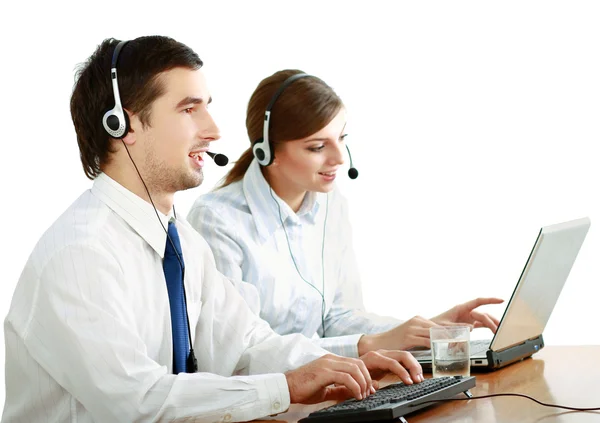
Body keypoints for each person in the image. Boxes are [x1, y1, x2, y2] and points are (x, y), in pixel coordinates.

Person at [2, 38, 424, 423]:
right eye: (189, 109)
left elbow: (247, 346)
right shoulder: (81, 253)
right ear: (122, 124)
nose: (214, 130)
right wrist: (287, 386)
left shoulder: (180, 240)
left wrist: (342, 364)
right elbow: (138, 401)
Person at [187, 69, 504, 358]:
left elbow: (335, 316)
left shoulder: (329, 204)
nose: (339, 157)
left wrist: (423, 330)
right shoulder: (218, 221)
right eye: (317, 147)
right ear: (266, 151)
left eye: (341, 139)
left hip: (325, 385)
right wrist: (367, 345)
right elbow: (238, 351)